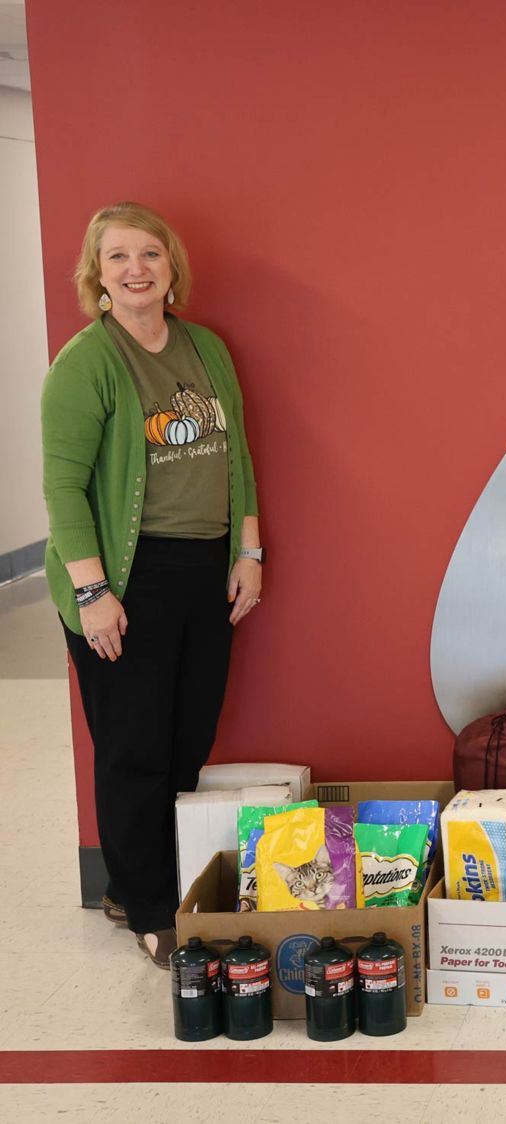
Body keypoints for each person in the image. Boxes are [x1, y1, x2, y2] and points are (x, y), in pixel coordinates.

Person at [41, 202, 263, 967]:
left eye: (149, 255)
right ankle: (144, 905)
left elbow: (236, 456)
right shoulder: (86, 362)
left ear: (172, 268)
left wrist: (250, 549)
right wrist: (93, 595)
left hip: (203, 572)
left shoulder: (206, 348)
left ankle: (149, 880)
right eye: (117, 258)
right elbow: (64, 490)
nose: (135, 269)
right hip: (121, 582)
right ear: (96, 276)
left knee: (187, 739)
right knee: (134, 747)